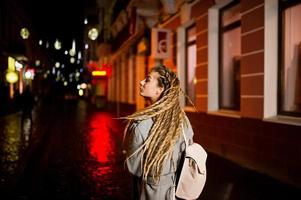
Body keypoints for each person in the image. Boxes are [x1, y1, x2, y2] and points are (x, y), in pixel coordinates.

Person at [123, 65, 194, 200]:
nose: (141, 82)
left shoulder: (141, 124)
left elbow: (134, 167)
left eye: (148, 80)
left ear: (159, 90)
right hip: (178, 191)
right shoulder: (182, 119)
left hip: (152, 192)